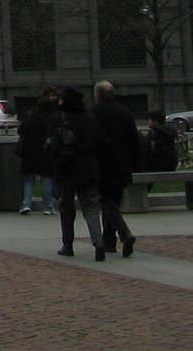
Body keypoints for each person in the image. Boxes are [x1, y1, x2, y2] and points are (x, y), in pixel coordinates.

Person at [51, 85, 107, 261]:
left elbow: (49, 141)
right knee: (91, 206)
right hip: (88, 166)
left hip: (66, 167)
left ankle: (68, 245)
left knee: (66, 208)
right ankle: (98, 242)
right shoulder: (90, 117)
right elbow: (102, 142)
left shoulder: (59, 117)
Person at [92, 80, 140, 257]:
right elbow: (134, 140)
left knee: (107, 203)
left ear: (98, 95)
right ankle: (109, 241)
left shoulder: (95, 113)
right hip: (122, 164)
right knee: (113, 202)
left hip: (103, 164)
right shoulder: (125, 112)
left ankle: (124, 233)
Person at [17, 89, 59, 215]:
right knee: (47, 179)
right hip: (46, 151)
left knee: (29, 179)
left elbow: (21, 131)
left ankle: (26, 204)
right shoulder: (53, 117)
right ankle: (48, 206)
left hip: (30, 150)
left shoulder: (31, 115)